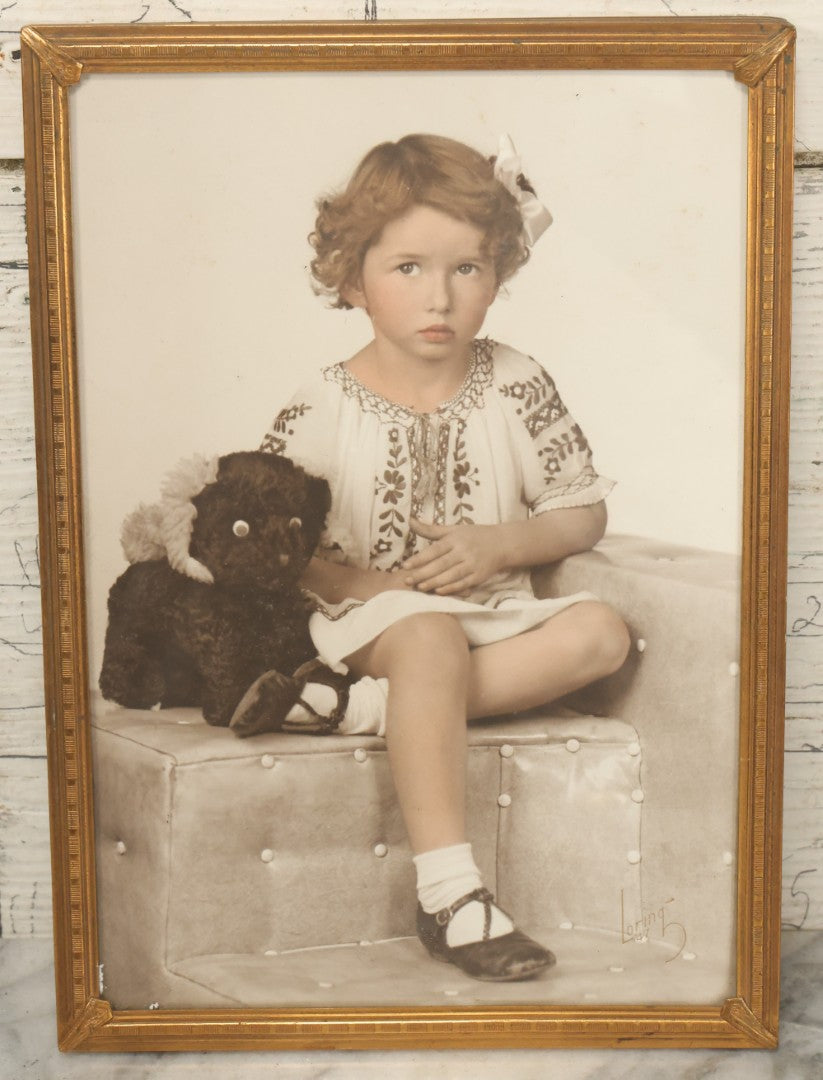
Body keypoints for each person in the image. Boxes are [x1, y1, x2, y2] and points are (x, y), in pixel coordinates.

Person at [260, 133, 630, 982]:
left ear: (498, 274)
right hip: (360, 617)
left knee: (600, 634)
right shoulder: (322, 401)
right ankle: (452, 895)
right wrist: (377, 586)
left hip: (489, 616)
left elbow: (582, 508)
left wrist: (504, 543)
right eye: (408, 269)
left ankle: (364, 713)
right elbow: (276, 549)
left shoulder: (515, 379)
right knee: (423, 635)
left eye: (467, 269)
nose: (440, 296)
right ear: (353, 280)